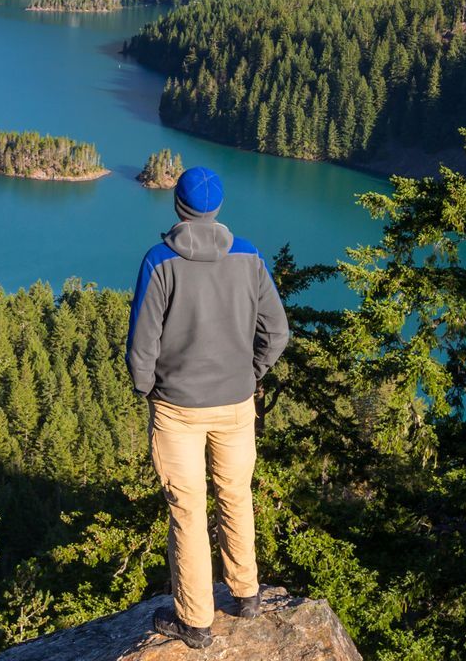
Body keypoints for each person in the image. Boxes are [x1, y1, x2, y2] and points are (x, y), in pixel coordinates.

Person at [125, 165, 289, 648]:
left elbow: (141, 349)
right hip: (236, 406)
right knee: (236, 495)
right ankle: (246, 593)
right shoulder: (250, 258)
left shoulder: (159, 261)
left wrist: (150, 388)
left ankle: (195, 622)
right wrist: (251, 374)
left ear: (179, 206)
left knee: (189, 510)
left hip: (177, 410)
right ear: (216, 209)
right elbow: (277, 333)